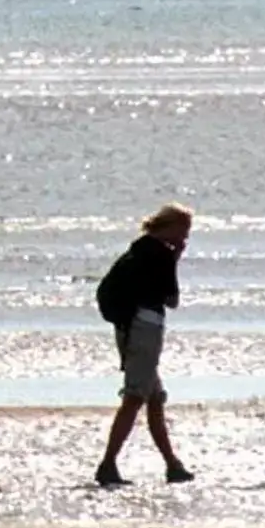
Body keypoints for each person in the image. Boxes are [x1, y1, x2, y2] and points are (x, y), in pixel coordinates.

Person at [97, 203, 195, 488]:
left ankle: (172, 464)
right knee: (136, 397)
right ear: (170, 227)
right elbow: (172, 299)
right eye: (184, 230)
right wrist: (176, 259)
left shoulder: (136, 250)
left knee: (154, 397)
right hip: (145, 329)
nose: (185, 237)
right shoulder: (161, 255)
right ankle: (108, 463)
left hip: (127, 328)